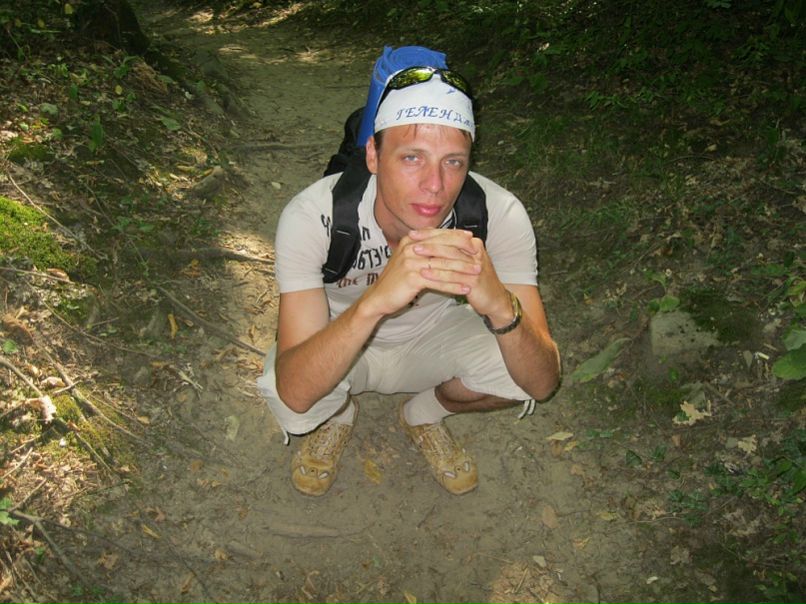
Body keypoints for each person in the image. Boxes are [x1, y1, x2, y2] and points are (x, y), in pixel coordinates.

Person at [257, 46, 561, 497]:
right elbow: (296, 392)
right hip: (344, 335)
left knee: (518, 369)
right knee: (291, 401)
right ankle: (338, 414)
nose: (435, 185)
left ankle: (424, 414)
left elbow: (543, 381)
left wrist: (501, 306)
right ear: (373, 156)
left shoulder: (499, 214)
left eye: (453, 161)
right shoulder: (314, 216)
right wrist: (373, 304)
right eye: (412, 157)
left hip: (432, 339)